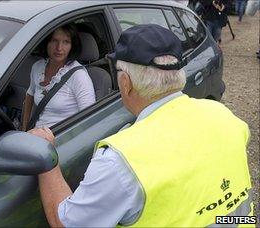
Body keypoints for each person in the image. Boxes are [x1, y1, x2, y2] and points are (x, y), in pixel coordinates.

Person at [30, 24, 253, 227]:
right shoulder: (225, 116)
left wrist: (46, 159)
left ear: (125, 84)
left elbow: (66, 224)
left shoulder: (121, 160)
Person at [22, 24, 95, 131]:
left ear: (72, 46)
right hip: (35, 136)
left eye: (66, 42)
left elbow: (89, 118)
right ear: (46, 42)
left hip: (62, 139)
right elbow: (29, 96)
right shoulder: (37, 67)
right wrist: (24, 129)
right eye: (54, 40)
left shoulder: (79, 76)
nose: (59, 48)